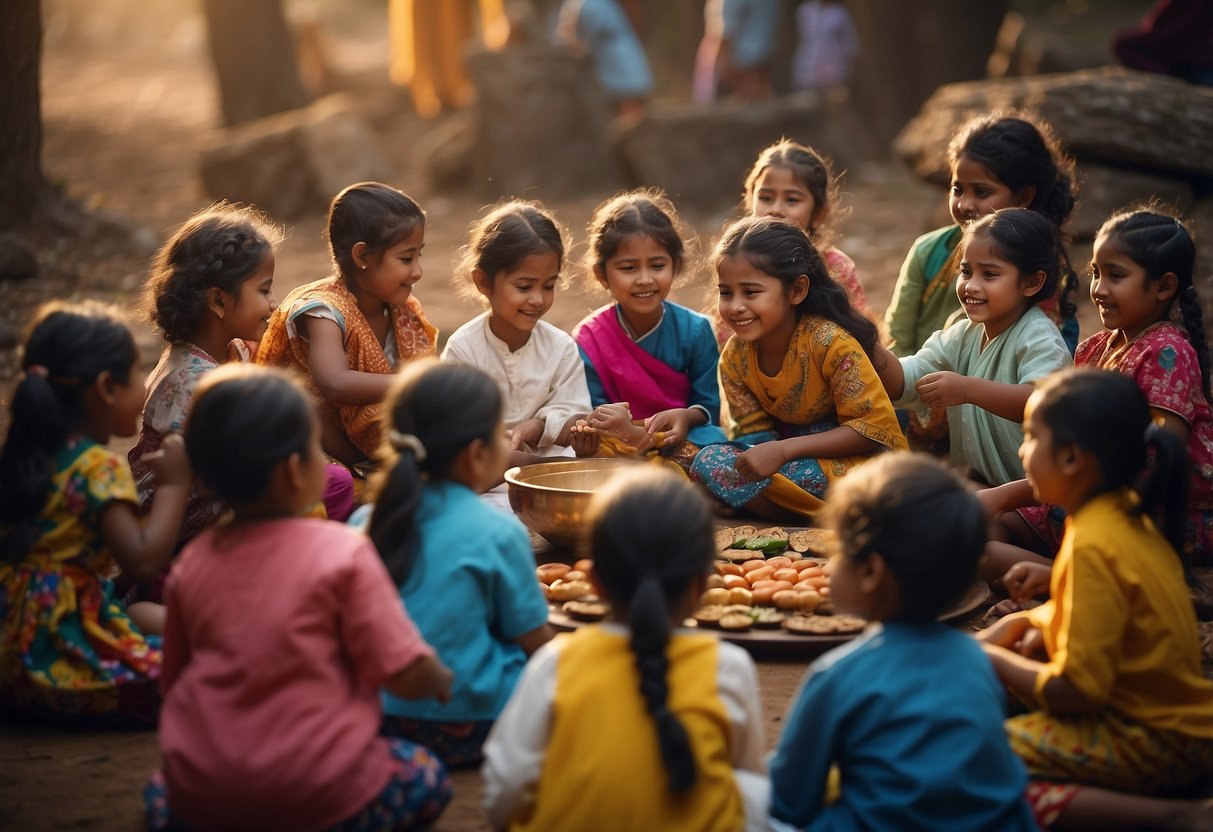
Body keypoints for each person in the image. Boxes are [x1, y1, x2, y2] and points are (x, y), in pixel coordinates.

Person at [145, 364, 454, 831]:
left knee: (160, 792)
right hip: (316, 791)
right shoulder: (344, 552)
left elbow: (175, 679)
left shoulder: (193, 564)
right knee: (425, 775)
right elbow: (405, 672)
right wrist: (437, 676)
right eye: (317, 448)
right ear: (295, 471)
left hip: (210, 797)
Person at [978, 368, 1213, 830]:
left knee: (975, 761)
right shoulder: (1121, 516)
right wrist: (1034, 617)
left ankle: (1177, 818)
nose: (1023, 453)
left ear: (1070, 460)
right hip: (1179, 721)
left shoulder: (1092, 543)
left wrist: (994, 660)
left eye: (1029, 438)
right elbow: (1106, 615)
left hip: (1148, 737)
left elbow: (1077, 692)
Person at [482, 467, 769, 830]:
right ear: (702, 585)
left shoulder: (555, 662)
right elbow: (746, 774)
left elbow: (504, 792)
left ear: (593, 581)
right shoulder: (728, 667)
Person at [769, 453, 1036, 832]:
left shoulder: (837, 675)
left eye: (837, 552)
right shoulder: (980, 662)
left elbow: (791, 800)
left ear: (871, 571)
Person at [983, 208, 1213, 577]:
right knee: (978, 537)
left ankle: (1069, 578)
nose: (1099, 289)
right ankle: (1068, 572)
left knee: (985, 545)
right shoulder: (1094, 348)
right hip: (1083, 496)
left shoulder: (1168, 354)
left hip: (1144, 513)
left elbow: (1153, 471)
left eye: (1116, 276)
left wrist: (1006, 493)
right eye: (1096, 273)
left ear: (1164, 286)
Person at [131, 205, 354, 565]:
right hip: (186, 538)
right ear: (218, 301)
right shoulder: (192, 381)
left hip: (225, 499)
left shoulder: (229, 350)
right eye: (264, 290)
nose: (274, 304)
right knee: (334, 486)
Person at [0, 302, 190, 723]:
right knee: (196, 671)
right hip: (59, 654)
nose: (143, 387)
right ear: (106, 387)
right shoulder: (94, 468)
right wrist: (177, 484)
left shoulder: (26, 458)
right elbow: (143, 561)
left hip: (12, 648)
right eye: (137, 374)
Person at [361, 358, 553, 768]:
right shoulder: (499, 532)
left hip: (378, 715)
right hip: (472, 721)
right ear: (475, 455)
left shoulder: (366, 523)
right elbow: (534, 641)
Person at [884, 113, 1079, 452]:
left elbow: (1044, 394)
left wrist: (964, 389)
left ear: (1023, 197)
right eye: (958, 188)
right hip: (938, 388)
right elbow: (902, 345)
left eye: (982, 191)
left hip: (999, 415)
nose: (966, 203)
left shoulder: (1037, 310)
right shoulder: (931, 259)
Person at [689, 216, 906, 520]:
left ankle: (792, 511)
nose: (735, 306)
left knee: (875, 481)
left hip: (860, 461)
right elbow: (757, 441)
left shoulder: (830, 342)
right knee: (708, 461)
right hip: (791, 463)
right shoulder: (735, 358)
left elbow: (872, 430)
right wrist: (766, 457)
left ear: (797, 290)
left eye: (751, 292)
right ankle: (821, 511)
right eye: (726, 292)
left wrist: (785, 451)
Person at [875, 208, 1072, 486]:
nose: (971, 286)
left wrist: (967, 390)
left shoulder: (1039, 337)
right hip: (974, 485)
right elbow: (907, 382)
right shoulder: (961, 335)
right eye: (966, 272)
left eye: (989, 275)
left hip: (1033, 494)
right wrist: (868, 344)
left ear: (1031, 283)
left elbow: (1040, 403)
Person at [256, 182, 437, 467]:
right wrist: (416, 383)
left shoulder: (403, 310)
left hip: (385, 445)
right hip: (324, 457)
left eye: (419, 255)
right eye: (406, 258)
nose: (417, 271)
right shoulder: (323, 311)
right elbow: (335, 383)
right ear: (362, 256)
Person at [570, 190, 727, 471]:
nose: (645, 279)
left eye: (657, 266)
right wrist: (598, 430)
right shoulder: (589, 337)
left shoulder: (696, 329)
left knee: (714, 447)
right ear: (601, 275)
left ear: (675, 265)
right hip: (619, 442)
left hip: (683, 437)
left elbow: (708, 406)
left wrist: (686, 417)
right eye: (628, 267)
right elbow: (593, 413)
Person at [442, 200, 591, 469]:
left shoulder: (561, 347)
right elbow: (458, 432)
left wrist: (543, 426)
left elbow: (574, 410)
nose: (537, 299)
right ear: (484, 282)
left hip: (557, 476)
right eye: (524, 287)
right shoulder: (464, 348)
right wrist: (527, 462)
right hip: (483, 478)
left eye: (548, 286)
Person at [743, 138, 870, 319]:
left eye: (792, 199)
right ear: (750, 203)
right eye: (766, 198)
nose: (776, 210)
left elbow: (860, 331)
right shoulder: (738, 263)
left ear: (818, 214)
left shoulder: (835, 267)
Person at [554, 0, 652, 122]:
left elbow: (571, 38)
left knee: (629, 108)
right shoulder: (596, 4)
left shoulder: (591, 5)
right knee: (626, 107)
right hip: (618, 60)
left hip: (618, 61)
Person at [693, 0, 780, 102]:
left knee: (753, 102)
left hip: (743, 63)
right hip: (759, 59)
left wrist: (721, 66)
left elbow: (726, 34)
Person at [791, 0, 858, 93]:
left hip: (834, 64)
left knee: (834, 95)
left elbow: (849, 41)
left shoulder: (839, 13)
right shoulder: (805, 10)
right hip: (809, 63)